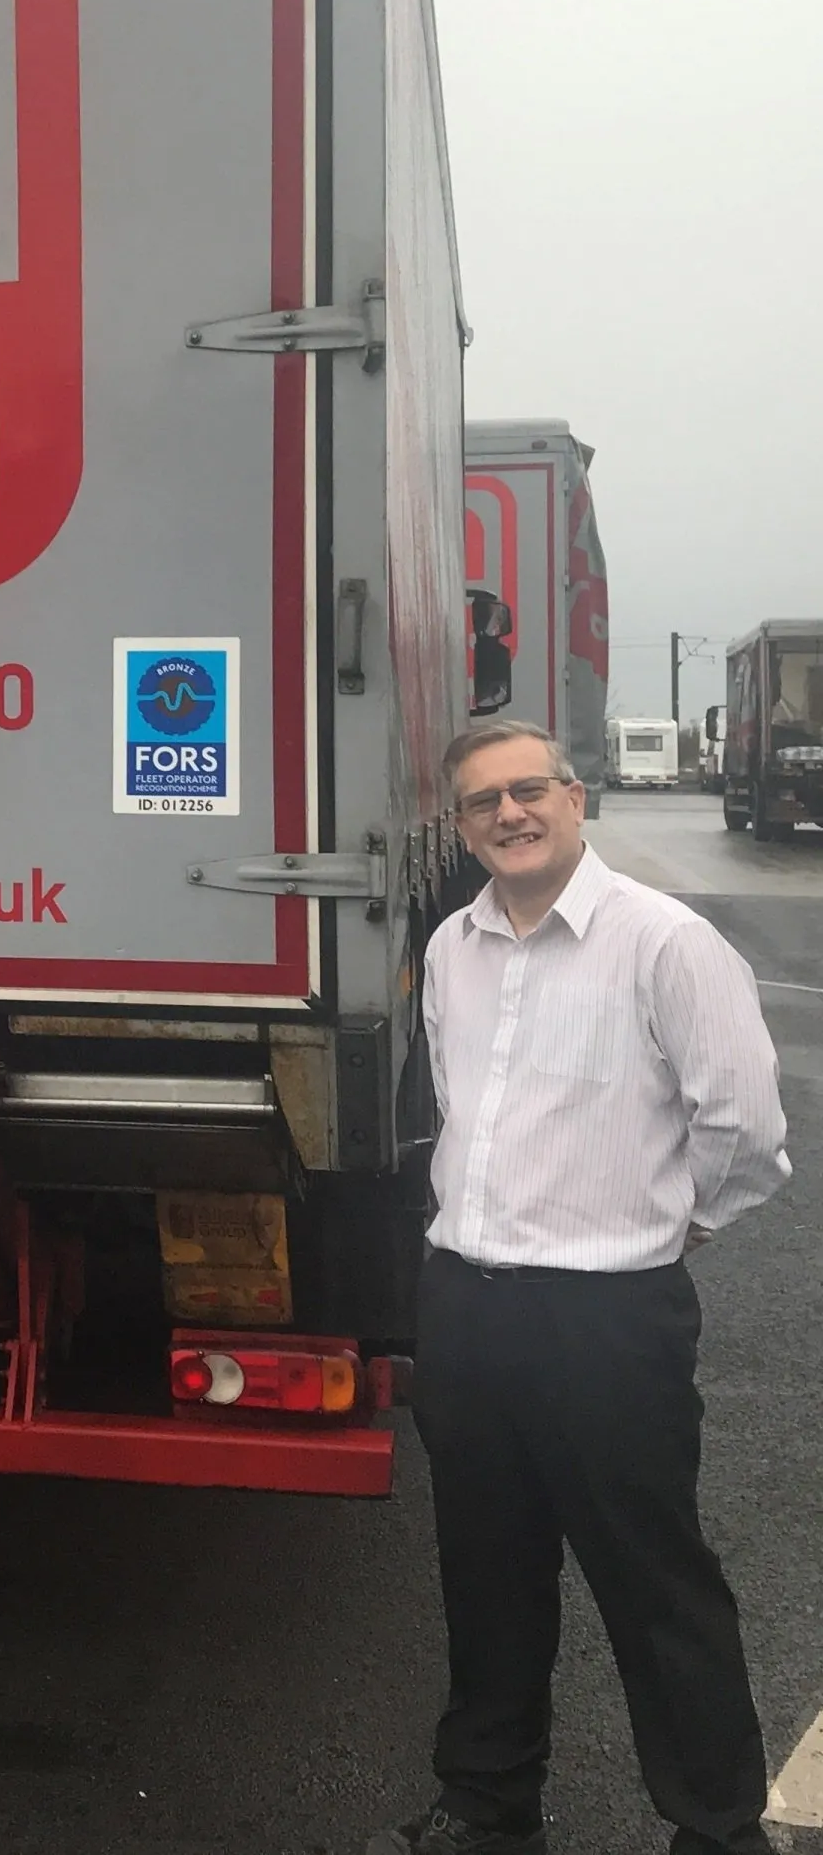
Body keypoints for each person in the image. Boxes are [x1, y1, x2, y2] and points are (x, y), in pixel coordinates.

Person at [371, 720, 790, 1855]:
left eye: (528, 791)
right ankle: (486, 1804)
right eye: (480, 803)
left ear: (575, 798)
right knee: (486, 1576)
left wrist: (665, 1228)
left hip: (607, 1319)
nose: (508, 815)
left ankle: (715, 1826)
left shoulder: (665, 943)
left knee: (657, 1586)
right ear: (458, 828)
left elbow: (747, 1130)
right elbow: (462, 1109)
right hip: (468, 1304)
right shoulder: (452, 947)